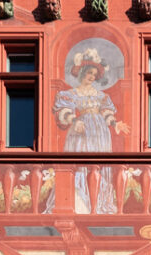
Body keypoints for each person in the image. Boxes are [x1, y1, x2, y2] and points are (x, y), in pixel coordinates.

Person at [53, 50, 130, 214]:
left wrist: (115, 124)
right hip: (81, 130)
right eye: (89, 73)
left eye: (94, 74)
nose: (92, 77)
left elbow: (107, 113)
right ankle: (80, 201)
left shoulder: (101, 96)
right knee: (81, 163)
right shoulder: (69, 94)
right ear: (82, 73)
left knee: (98, 165)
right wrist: (75, 121)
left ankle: (98, 201)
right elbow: (64, 112)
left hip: (100, 132)